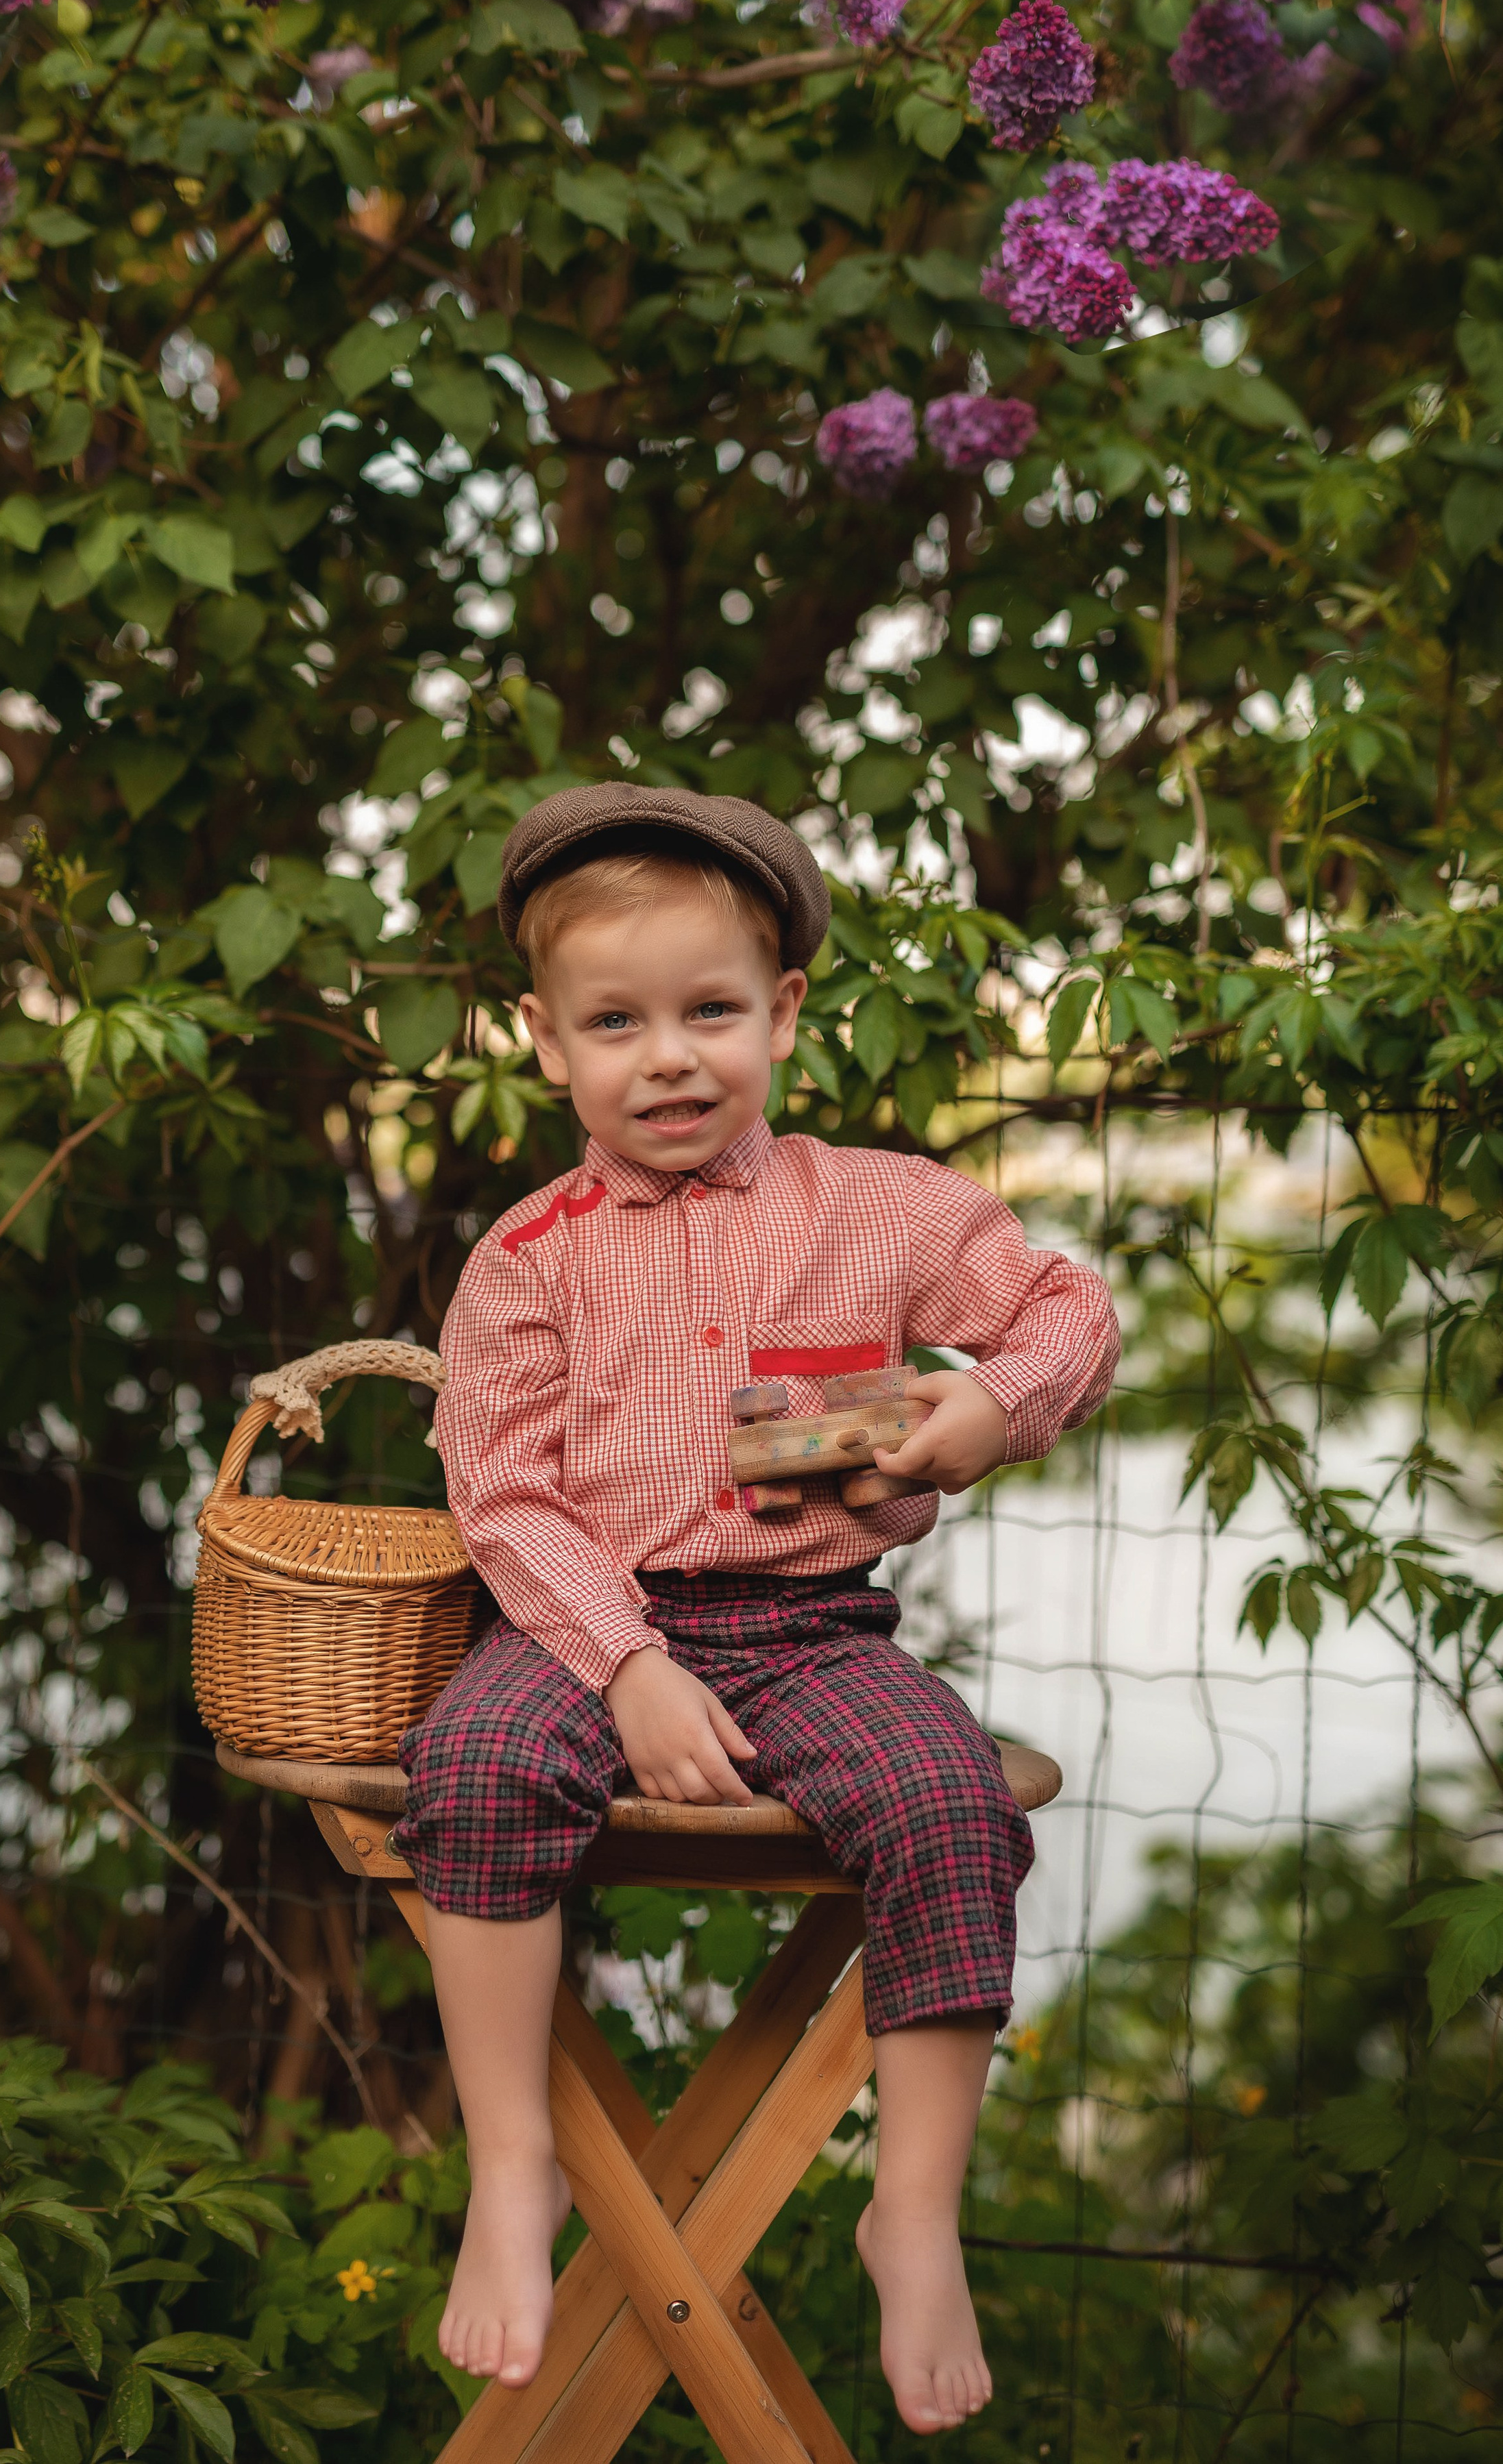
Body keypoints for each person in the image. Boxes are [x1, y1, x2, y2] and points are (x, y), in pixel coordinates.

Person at [391, 783, 1120, 2435]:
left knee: (944, 1803)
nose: (667, 1057)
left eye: (709, 1011)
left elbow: (1065, 1304)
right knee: (474, 1768)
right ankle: (515, 2168)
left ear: (781, 1014)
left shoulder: (873, 1209)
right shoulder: (528, 1258)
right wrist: (627, 1667)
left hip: (807, 1634)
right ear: (541, 1039)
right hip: (581, 1625)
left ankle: (912, 2212)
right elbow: (501, 1494)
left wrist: (993, 1404)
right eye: (615, 1022)